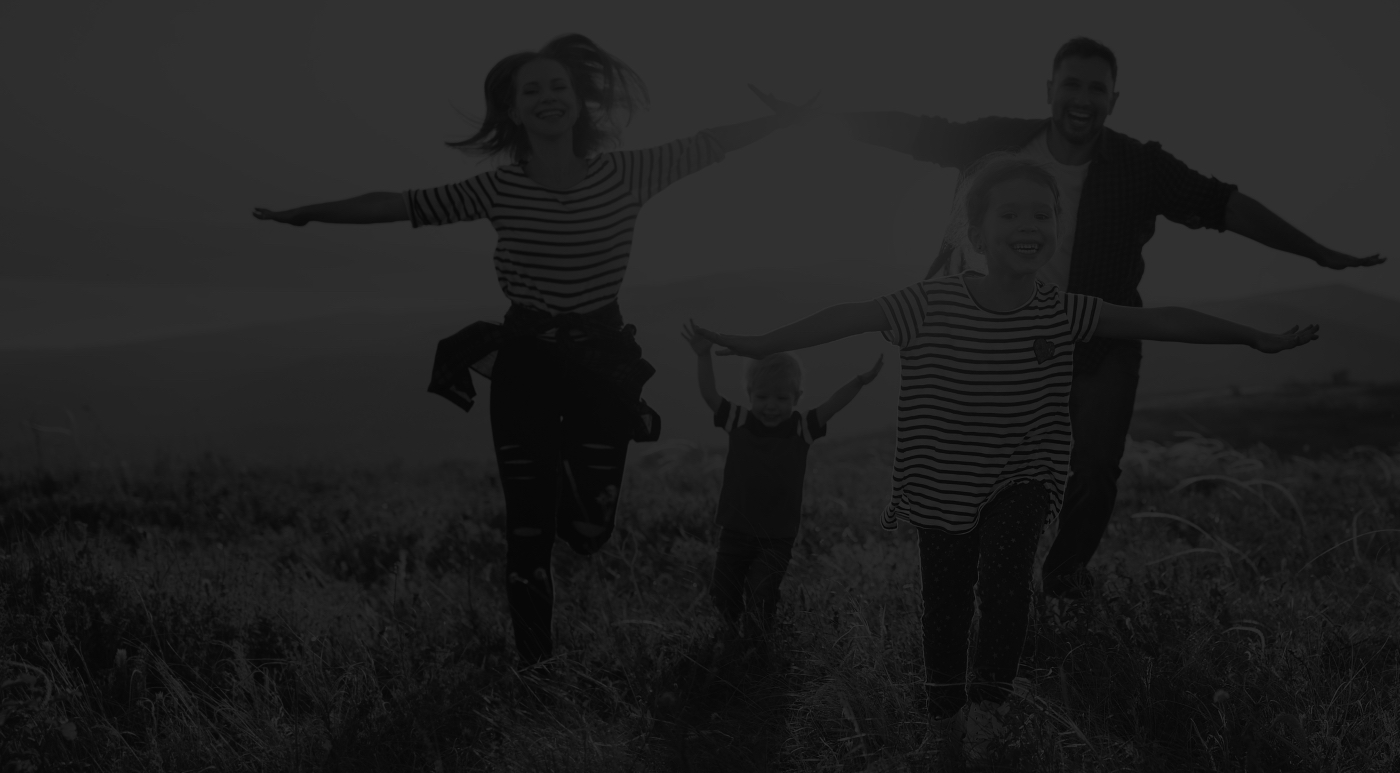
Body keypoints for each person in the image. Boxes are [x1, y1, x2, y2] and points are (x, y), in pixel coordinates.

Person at [693, 157, 1318, 763]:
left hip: (1025, 476)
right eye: (1011, 214)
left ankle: (990, 709)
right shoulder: (930, 303)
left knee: (1005, 579)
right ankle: (946, 720)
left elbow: (1159, 320)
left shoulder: (1063, 310)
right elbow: (847, 318)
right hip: (941, 484)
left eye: (1042, 215)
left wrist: (1251, 336)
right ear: (977, 233)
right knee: (944, 604)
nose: (1029, 226)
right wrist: (759, 344)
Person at [753, 36, 1384, 599]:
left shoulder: (1140, 166)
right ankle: (977, 574)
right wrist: (814, 118)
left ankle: (1062, 579)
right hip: (989, 335)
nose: (1082, 99)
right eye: (1071, 85)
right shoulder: (1002, 140)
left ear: (1114, 98)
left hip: (1095, 335)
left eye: (1097, 89)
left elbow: (1225, 205)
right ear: (1049, 91)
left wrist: (1319, 253)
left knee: (1095, 468)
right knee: (977, 460)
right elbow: (916, 131)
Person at [253, 34, 814, 666]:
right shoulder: (497, 190)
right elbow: (397, 204)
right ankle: (535, 670)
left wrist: (782, 119)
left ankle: (573, 502)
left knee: (588, 531)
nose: (547, 97)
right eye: (531, 91)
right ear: (514, 112)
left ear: (578, 102)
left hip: (601, 367)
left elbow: (711, 144)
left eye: (557, 87)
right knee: (526, 534)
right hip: (525, 363)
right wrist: (308, 212)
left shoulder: (628, 173)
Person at [681, 322, 881, 659]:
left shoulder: (801, 427)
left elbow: (834, 404)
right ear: (749, 395)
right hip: (735, 529)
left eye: (781, 398)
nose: (771, 405)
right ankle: (732, 634)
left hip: (777, 534)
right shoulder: (739, 421)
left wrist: (859, 381)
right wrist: (704, 357)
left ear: (797, 398)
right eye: (762, 397)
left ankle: (758, 643)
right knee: (722, 590)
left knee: (762, 588)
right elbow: (710, 395)